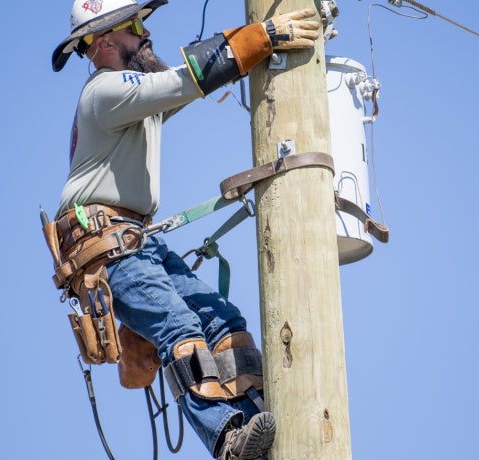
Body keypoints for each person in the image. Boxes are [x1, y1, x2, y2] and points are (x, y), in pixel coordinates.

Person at [49, 0, 322, 458]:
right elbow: (183, 80)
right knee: (182, 329)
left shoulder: (130, 101)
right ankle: (227, 440)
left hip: (137, 241)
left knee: (223, 321)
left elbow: (181, 89)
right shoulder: (106, 90)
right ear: (107, 41)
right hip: (108, 248)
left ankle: (260, 418)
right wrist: (263, 35)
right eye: (136, 25)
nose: (146, 34)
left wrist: (245, 57)